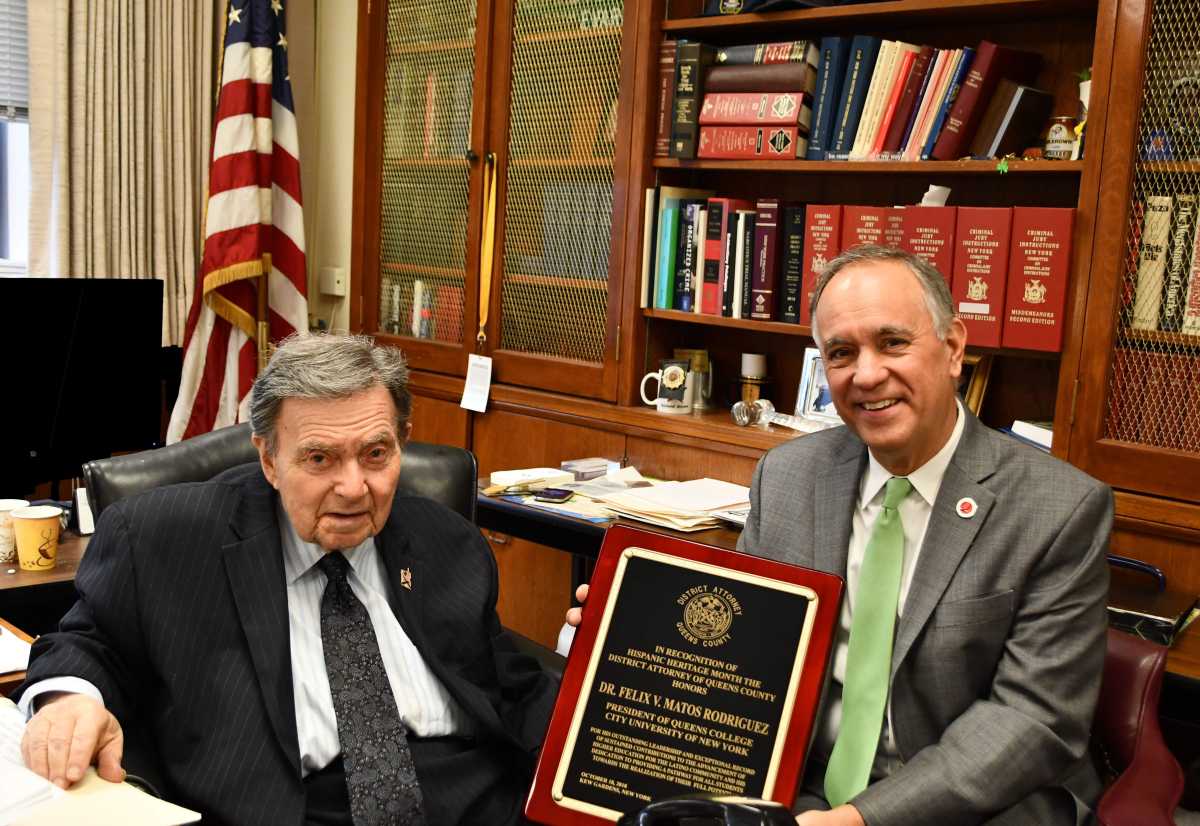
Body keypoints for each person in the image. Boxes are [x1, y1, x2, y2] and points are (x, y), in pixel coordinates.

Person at [569, 244, 1110, 825]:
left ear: (954, 348)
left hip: (975, 801)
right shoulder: (790, 476)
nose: (868, 374)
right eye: (842, 353)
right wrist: (632, 632)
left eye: (893, 342)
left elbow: (1031, 718)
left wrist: (857, 820)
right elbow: (749, 648)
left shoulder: (1059, 508)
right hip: (799, 784)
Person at [17, 333, 557, 826]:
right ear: (269, 459)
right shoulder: (164, 539)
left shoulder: (447, 541)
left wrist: (601, 655)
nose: (353, 487)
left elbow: (510, 686)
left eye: (375, 454)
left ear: (403, 442)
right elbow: (86, 642)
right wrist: (69, 700)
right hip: (297, 806)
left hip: (481, 804)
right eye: (320, 458)